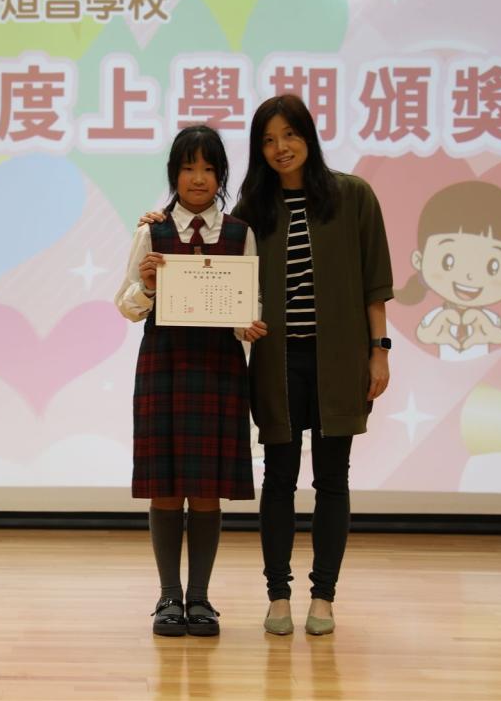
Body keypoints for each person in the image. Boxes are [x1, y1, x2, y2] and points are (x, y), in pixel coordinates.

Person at [139, 94, 393, 636]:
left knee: (333, 480)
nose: (281, 148)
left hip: (340, 360)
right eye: (269, 140)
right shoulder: (253, 210)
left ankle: (323, 597)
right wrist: (157, 222)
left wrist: (380, 350)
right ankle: (278, 595)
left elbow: (375, 284)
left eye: (290, 135)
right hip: (277, 361)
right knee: (278, 479)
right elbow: (222, 276)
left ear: (309, 137)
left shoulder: (353, 195)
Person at [115, 124, 268, 637]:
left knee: (207, 491)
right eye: (187, 168)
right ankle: (167, 597)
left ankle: (199, 598)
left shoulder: (240, 233)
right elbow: (127, 306)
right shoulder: (151, 232)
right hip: (163, 364)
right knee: (164, 488)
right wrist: (149, 286)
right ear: (173, 174)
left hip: (219, 368)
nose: (198, 178)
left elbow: (250, 303)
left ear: (221, 175)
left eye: (208, 168)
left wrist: (248, 324)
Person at [395, 180, 501, 361]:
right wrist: (442, 330)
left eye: (493, 267)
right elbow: (424, 334)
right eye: (448, 261)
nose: (470, 276)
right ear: (419, 261)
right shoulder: (438, 317)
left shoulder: (489, 319)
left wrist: (483, 329)